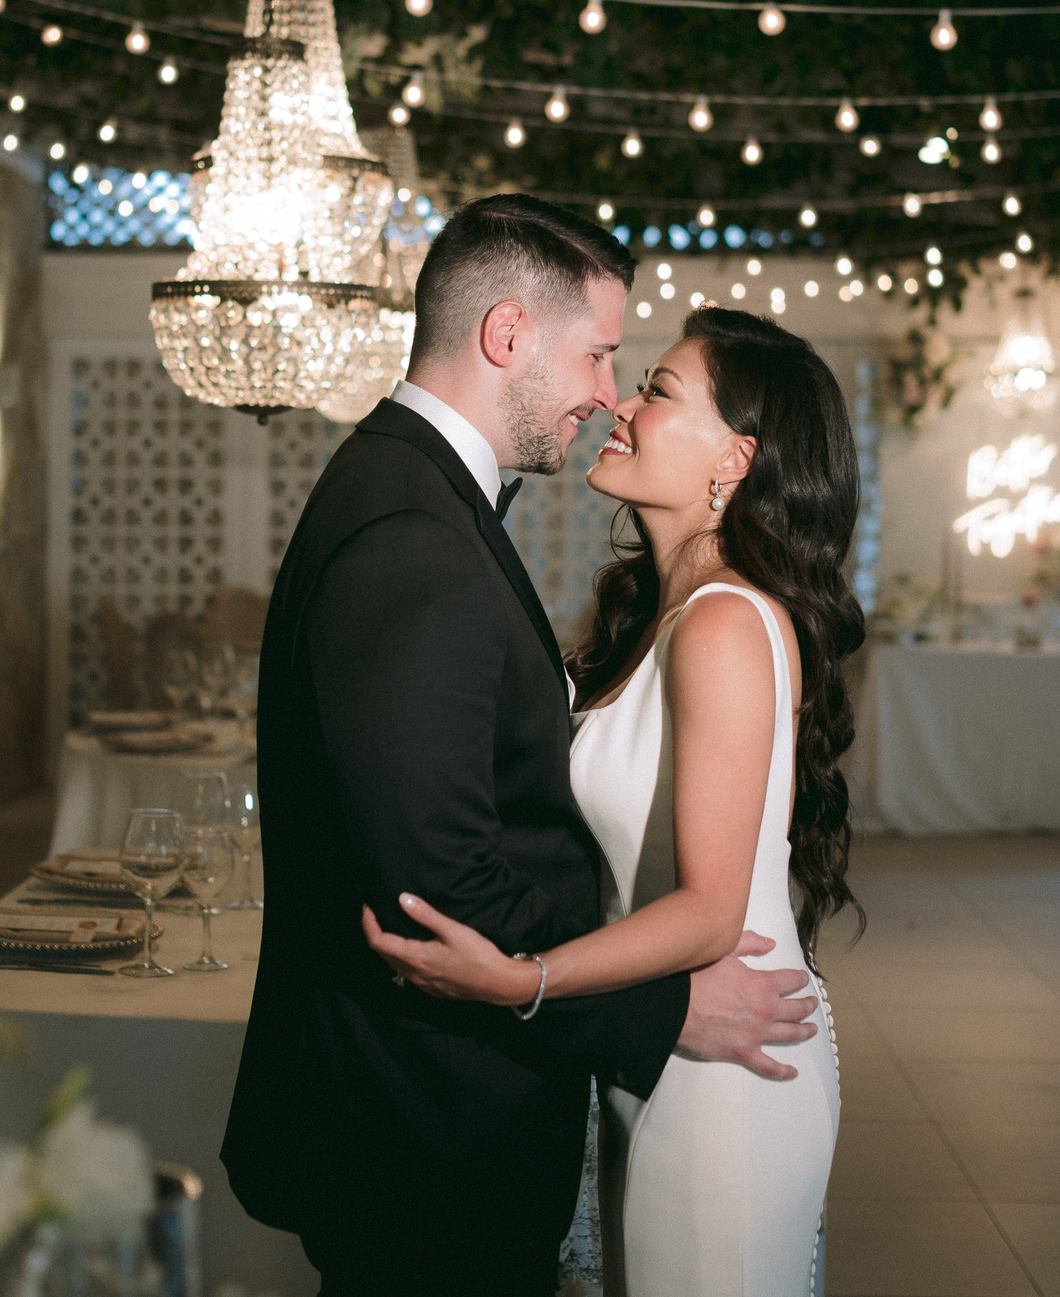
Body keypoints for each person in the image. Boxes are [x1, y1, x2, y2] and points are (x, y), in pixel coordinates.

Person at [223, 197, 822, 1297]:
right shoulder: (416, 532)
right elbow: (435, 882)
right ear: (507, 335)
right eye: (599, 356)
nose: (608, 393)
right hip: (417, 1113)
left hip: (463, 1104)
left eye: (636, 375)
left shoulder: (418, 499)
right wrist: (660, 1008)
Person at [368, 305, 862, 1297]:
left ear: (738, 456)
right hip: (667, 1043)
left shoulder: (725, 621)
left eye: (658, 390)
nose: (619, 404)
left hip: (728, 1078)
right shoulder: (664, 609)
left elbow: (711, 906)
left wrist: (520, 978)